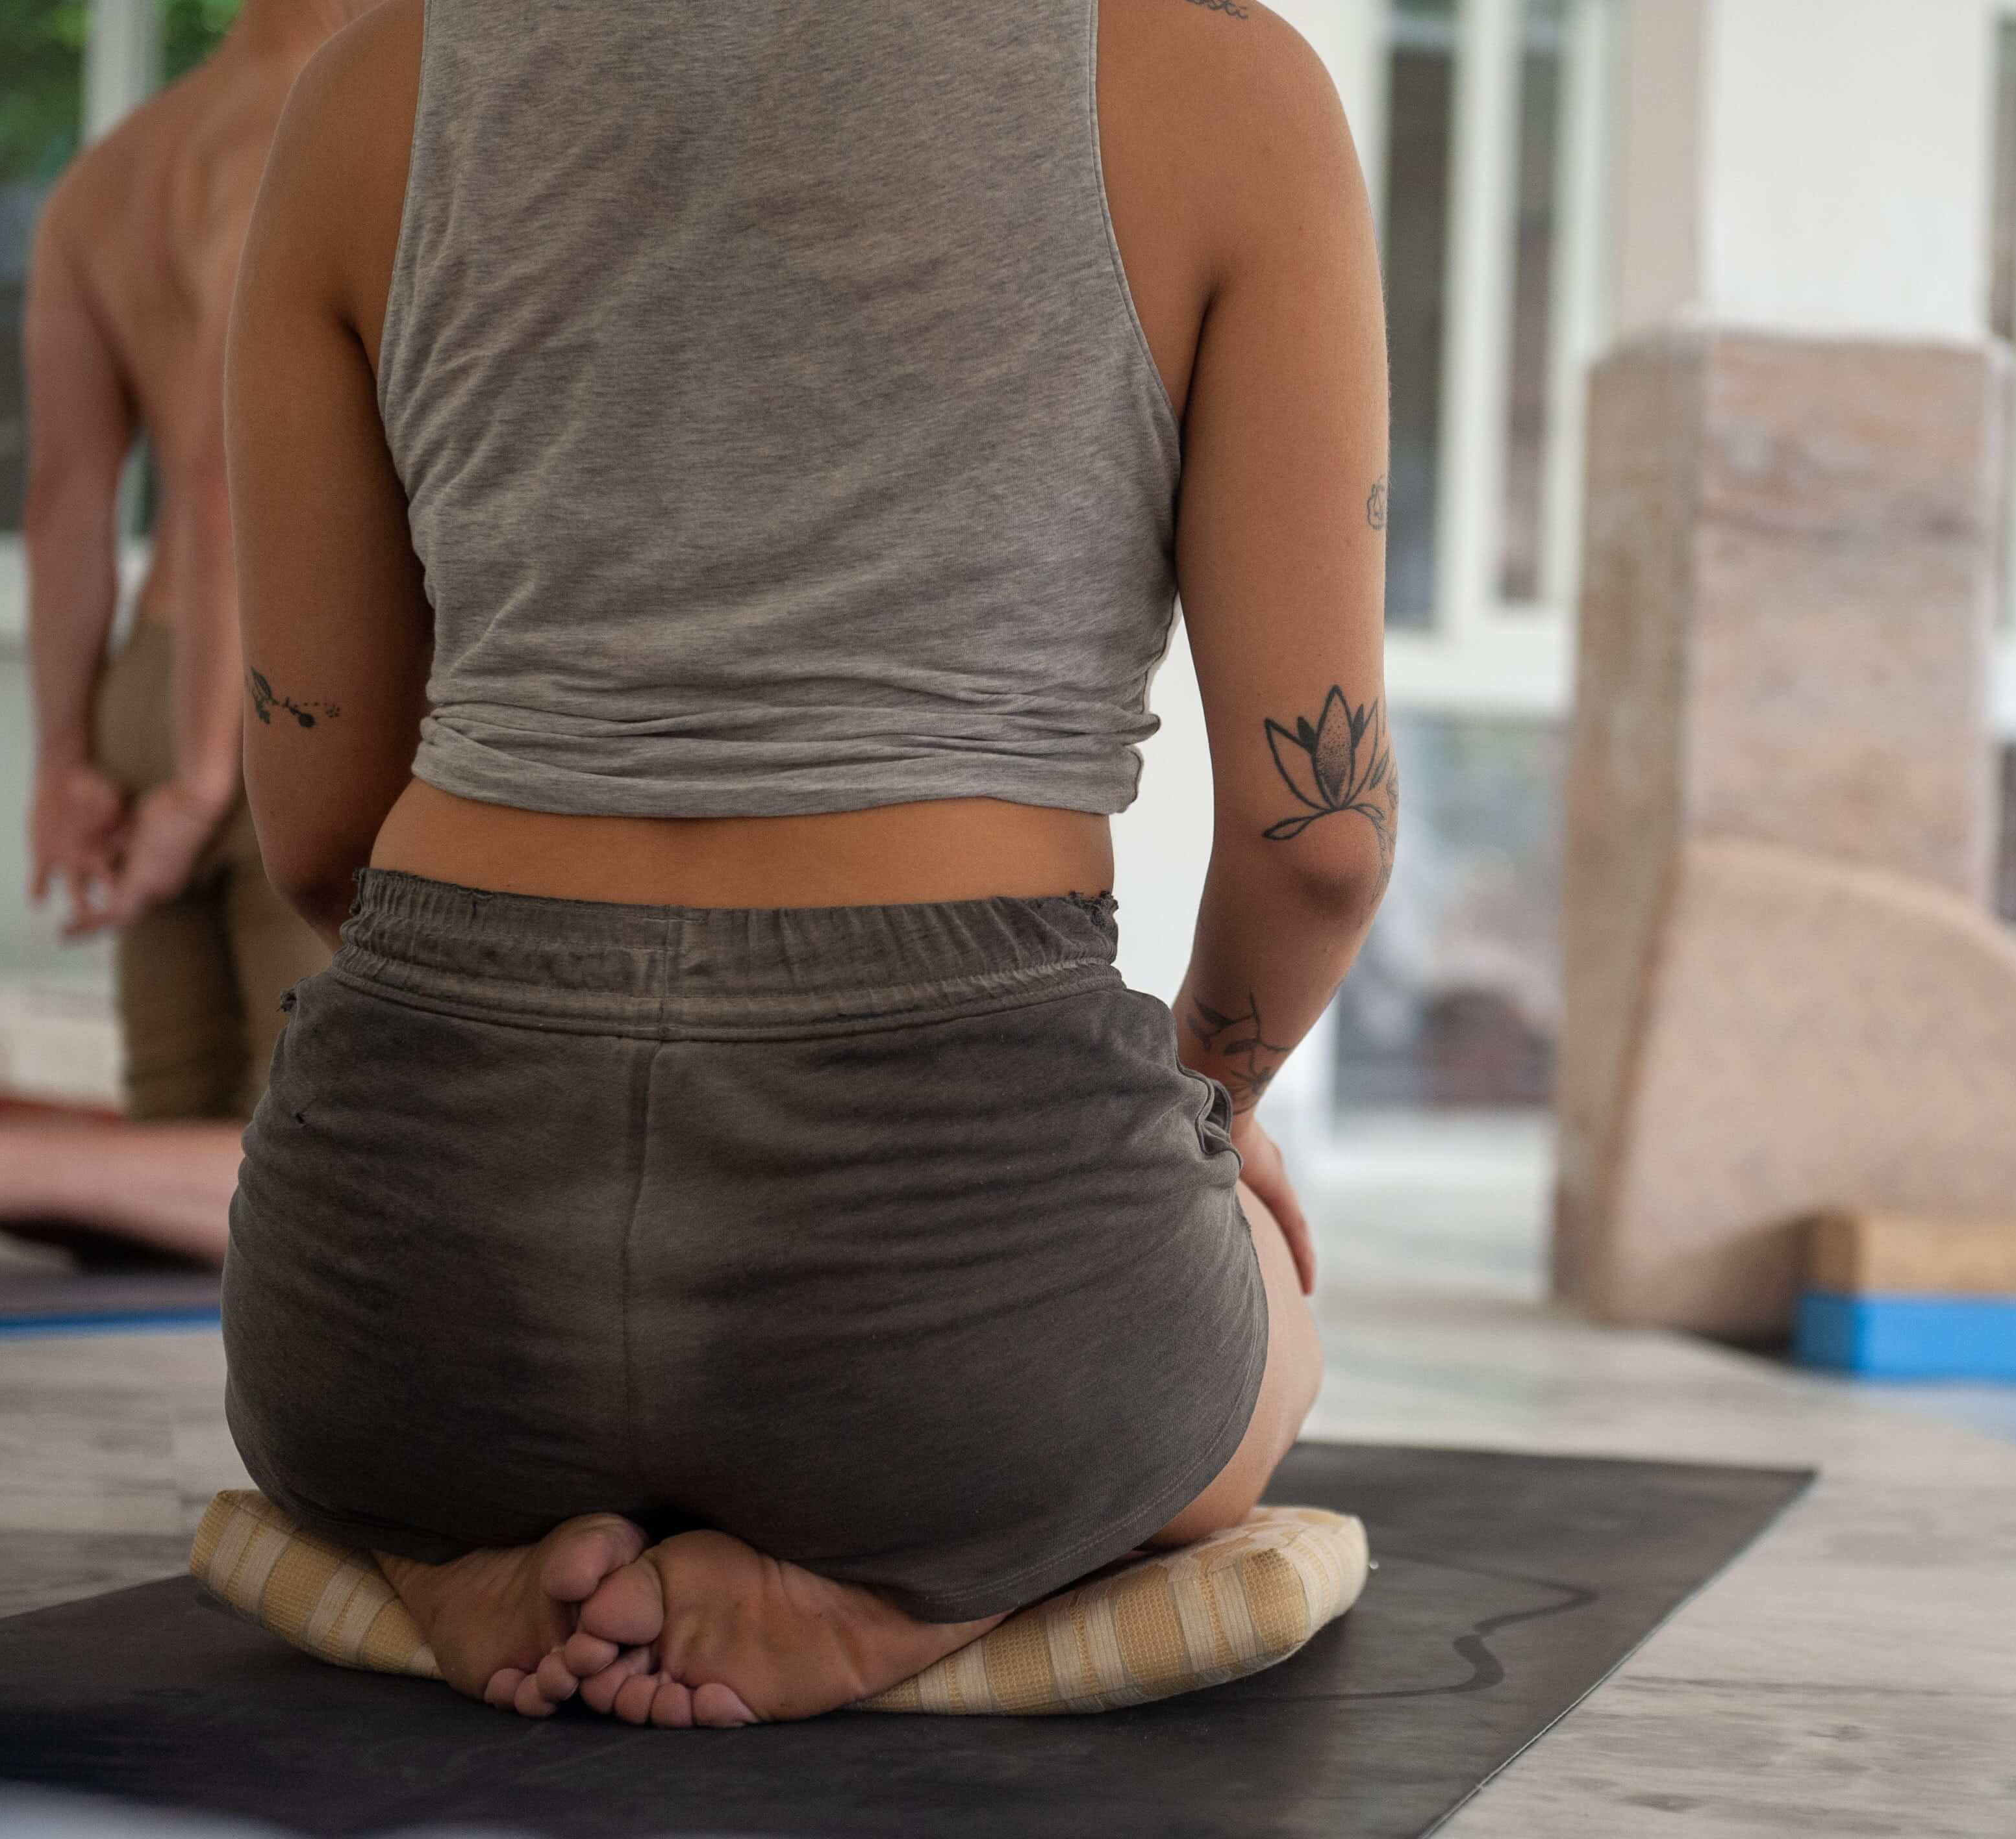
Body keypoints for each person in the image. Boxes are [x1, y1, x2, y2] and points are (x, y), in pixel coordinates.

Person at [220, 0, 1388, 1728]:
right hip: (970, 1326)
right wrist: (1205, 1105)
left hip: (390, 1303)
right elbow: (1322, 848)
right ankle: (870, 1609)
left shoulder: (365, 92)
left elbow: (318, 828)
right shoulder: (1225, 82)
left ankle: (454, 1552)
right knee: (1261, 1305)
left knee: (408, 1430)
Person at [0, 0, 368, 1264]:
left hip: (151, 678)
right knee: (324, 1176)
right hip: (273, 691)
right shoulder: (328, 122)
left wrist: (66, 760)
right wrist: (208, 776)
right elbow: (218, 474)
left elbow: (66, 501)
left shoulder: (118, 168)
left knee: (171, 1193)